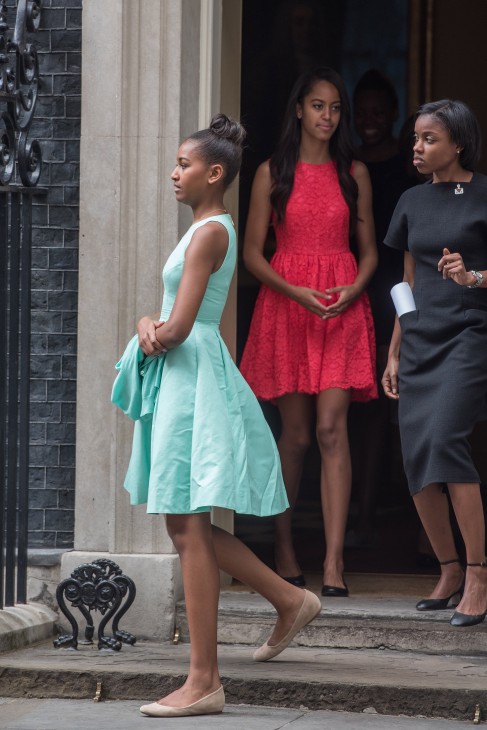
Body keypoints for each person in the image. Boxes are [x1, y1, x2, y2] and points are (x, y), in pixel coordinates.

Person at [114, 114, 322, 719]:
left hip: (191, 377)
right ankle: (288, 600)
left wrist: (144, 327)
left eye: (183, 164)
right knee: (187, 525)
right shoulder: (204, 229)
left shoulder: (210, 233)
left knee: (185, 525)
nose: (174, 173)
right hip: (186, 378)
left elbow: (176, 328)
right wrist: (152, 326)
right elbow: (172, 322)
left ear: (214, 173)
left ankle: (204, 679)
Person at [240, 67, 378, 596]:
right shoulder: (272, 172)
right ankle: (286, 548)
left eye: (335, 107)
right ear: (299, 109)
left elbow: (369, 255)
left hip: (341, 307)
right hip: (289, 306)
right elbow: (253, 253)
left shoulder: (354, 173)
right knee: (295, 437)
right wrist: (296, 293)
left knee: (330, 430)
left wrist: (353, 290)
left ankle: (334, 563)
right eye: (318, 105)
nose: (328, 116)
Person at [382, 99, 487, 626]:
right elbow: (409, 281)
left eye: (429, 139)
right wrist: (395, 351)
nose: (418, 148)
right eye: (417, 139)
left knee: (445, 441)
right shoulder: (410, 201)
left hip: (469, 334)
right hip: (421, 338)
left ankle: (478, 573)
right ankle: (447, 568)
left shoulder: (485, 194)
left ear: (458, 143)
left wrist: (473, 278)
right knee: (417, 457)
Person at [347, 69, 415, 549]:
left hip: (403, 291)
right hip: (356, 295)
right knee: (361, 411)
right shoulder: (346, 166)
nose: (369, 121)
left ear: (392, 115)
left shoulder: (409, 170)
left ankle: (405, 525)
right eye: (362, 113)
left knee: (399, 410)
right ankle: (361, 517)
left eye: (378, 112)